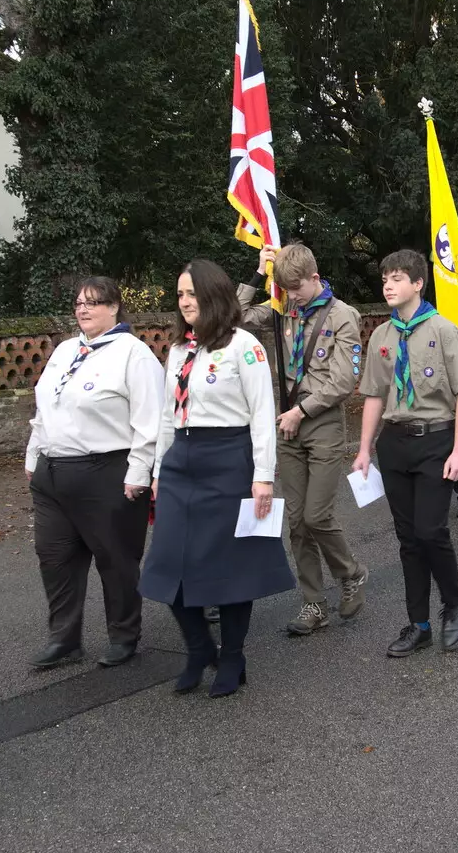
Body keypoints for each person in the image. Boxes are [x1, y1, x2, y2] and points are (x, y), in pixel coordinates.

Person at [142, 259, 296, 698]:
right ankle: (198, 648)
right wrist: (157, 470)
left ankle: (232, 656)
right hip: (181, 460)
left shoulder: (244, 346)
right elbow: (167, 417)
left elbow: (263, 415)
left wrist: (263, 477)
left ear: (213, 296)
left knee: (231, 568)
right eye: (179, 295)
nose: (185, 302)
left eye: (191, 293)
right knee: (167, 563)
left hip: (230, 458)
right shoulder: (178, 350)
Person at [25, 276, 161, 672]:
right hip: (53, 472)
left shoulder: (133, 354)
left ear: (115, 307)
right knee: (54, 558)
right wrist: (34, 456)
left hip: (106, 472)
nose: (83, 309)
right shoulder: (67, 350)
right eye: (79, 303)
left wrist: (139, 473)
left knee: (115, 560)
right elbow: (45, 407)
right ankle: (64, 639)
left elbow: (150, 421)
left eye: (94, 302)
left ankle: (123, 635)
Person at [239, 243, 370, 637]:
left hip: (322, 423)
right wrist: (259, 273)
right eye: (285, 288)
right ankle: (313, 603)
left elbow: (345, 380)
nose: (291, 295)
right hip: (287, 425)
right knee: (296, 523)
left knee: (317, 515)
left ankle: (352, 573)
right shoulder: (282, 310)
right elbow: (236, 318)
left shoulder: (343, 316)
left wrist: (302, 411)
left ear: (315, 277)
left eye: (296, 287)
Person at [353, 249, 458, 657]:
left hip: (436, 441)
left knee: (431, 530)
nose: (388, 285)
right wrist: (365, 448)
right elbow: (374, 394)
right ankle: (418, 623)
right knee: (407, 538)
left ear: (418, 283)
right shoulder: (382, 337)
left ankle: (454, 602)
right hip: (395, 443)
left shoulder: (443, 330)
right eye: (385, 278)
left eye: (397, 278)